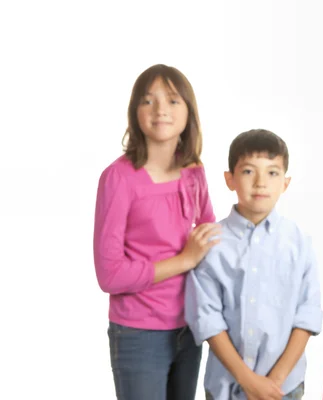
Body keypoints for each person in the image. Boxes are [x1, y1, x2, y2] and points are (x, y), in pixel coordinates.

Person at [93, 64, 221, 400]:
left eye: (173, 100)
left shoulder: (194, 170)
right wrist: (184, 261)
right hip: (138, 333)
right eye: (148, 101)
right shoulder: (118, 179)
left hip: (190, 326)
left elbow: (212, 236)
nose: (161, 109)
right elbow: (110, 274)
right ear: (135, 112)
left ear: (188, 111)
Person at [185, 129, 323, 400]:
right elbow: (208, 319)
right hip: (227, 386)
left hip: (285, 386)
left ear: (285, 182)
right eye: (248, 171)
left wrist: (275, 382)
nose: (261, 182)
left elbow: (307, 315)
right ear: (230, 179)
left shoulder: (298, 242)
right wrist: (248, 381)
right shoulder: (212, 243)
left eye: (272, 173)